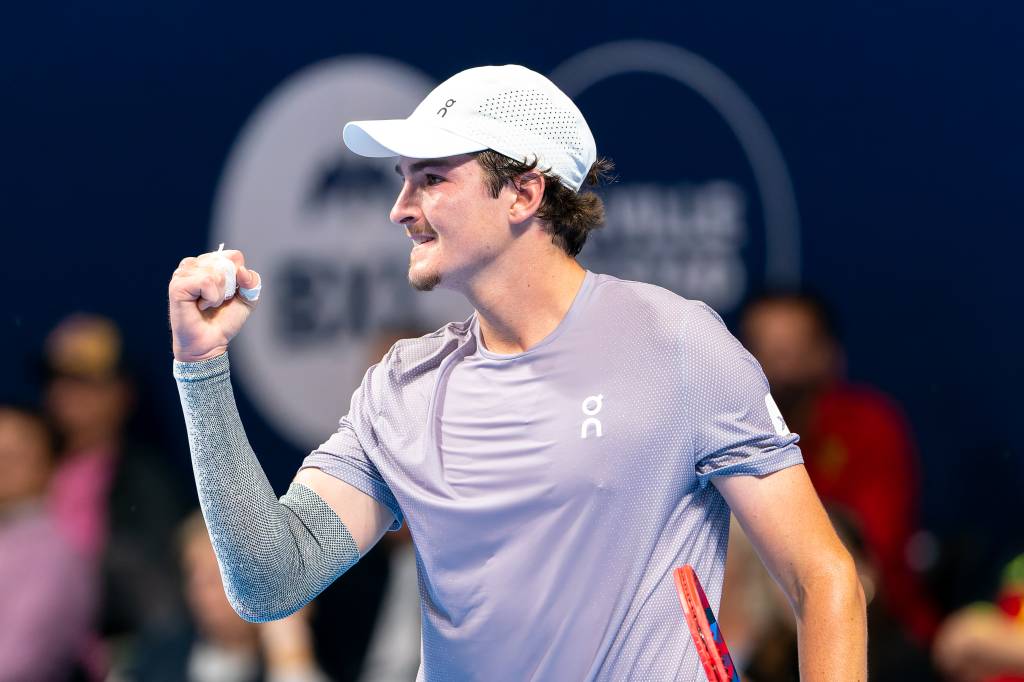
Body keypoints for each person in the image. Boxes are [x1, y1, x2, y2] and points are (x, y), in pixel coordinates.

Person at [169, 65, 866, 680]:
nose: (400, 208)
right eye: (403, 179)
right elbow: (268, 580)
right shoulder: (401, 389)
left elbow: (822, 577)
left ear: (524, 193)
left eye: (432, 178)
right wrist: (201, 367)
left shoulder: (678, 345)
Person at [739, 291, 938, 642]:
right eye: (762, 351)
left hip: (877, 624)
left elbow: (873, 549)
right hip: (755, 633)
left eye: (793, 350)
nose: (780, 367)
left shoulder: (869, 425)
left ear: (830, 355)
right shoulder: (725, 432)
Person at [0, 404, 93, 681]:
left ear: (47, 466)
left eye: (13, 457)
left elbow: (18, 662)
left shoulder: (55, 555)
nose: (1, 466)